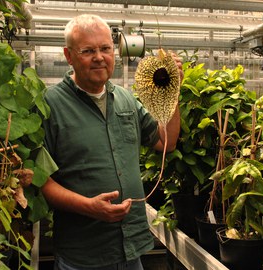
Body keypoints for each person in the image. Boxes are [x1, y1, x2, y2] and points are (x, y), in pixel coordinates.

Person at [41, 14, 182, 270]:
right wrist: (88, 207)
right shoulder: (51, 105)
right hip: (83, 253)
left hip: (131, 249)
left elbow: (167, 142)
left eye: (105, 48)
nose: (99, 57)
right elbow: (41, 180)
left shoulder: (125, 99)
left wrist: (172, 92)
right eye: (88, 50)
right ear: (69, 55)